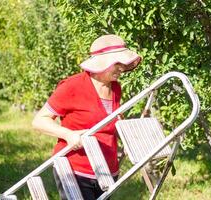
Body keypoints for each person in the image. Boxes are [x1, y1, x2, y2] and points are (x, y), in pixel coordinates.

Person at [32, 34, 141, 200]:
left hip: (106, 169)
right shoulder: (72, 86)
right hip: (76, 169)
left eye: (123, 64)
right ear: (102, 63)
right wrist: (69, 135)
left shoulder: (116, 88)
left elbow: (113, 120)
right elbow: (40, 120)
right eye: (117, 63)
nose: (122, 68)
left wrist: (128, 135)